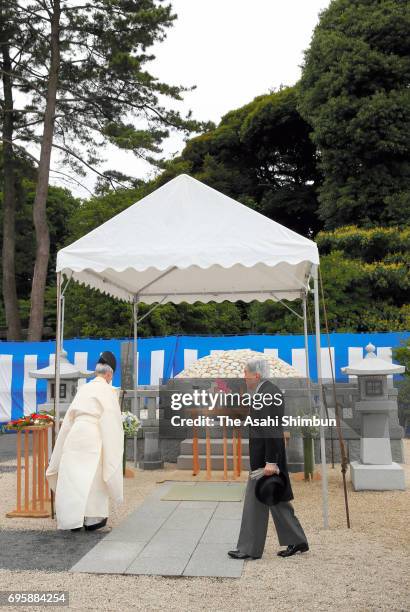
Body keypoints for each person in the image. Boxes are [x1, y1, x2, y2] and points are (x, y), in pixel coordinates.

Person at [228, 358, 308, 559]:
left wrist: (270, 462)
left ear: (256, 375)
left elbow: (272, 429)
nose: (244, 377)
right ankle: (297, 540)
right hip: (267, 456)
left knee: (255, 501)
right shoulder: (265, 392)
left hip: (266, 459)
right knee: (276, 498)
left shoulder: (268, 394)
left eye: (245, 373)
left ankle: (248, 549)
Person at [46, 351, 124, 531]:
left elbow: (68, 420)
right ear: (110, 374)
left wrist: (61, 444)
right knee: (94, 476)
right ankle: (93, 518)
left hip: (75, 433)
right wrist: (112, 446)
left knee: (73, 476)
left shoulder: (83, 389)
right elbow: (110, 422)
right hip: (93, 434)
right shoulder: (108, 390)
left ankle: (72, 518)